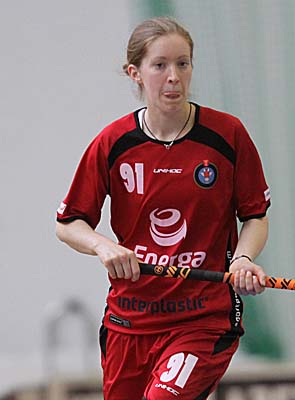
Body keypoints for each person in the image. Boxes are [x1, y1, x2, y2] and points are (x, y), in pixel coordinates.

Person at [55, 17, 271, 399]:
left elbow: (254, 216)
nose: (174, 77)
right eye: (160, 65)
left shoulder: (227, 135)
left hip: (201, 319)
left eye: (182, 64)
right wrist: (104, 246)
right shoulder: (113, 143)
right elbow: (69, 223)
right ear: (135, 73)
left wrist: (242, 259)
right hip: (129, 321)